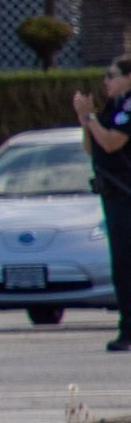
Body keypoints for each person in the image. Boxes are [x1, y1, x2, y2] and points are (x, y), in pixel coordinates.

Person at [74, 54, 131, 351]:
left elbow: (112, 142)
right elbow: (92, 147)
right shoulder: (113, 107)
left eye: (112, 75)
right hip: (113, 196)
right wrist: (87, 122)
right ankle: (127, 328)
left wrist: (89, 117)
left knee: (127, 264)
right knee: (121, 266)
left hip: (126, 195)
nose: (106, 81)